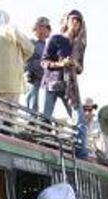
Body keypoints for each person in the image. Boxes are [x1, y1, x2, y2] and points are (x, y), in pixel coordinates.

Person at [41, 9, 87, 157]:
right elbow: (44, 61)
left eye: (79, 21)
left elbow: (81, 68)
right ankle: (43, 145)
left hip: (70, 86)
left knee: (79, 119)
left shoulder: (79, 45)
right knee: (45, 118)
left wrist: (75, 65)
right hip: (52, 82)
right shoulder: (55, 39)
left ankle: (81, 154)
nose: (76, 23)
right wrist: (61, 64)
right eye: (73, 19)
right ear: (67, 21)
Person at [0, 10, 33, 106]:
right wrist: (19, 59)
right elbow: (29, 48)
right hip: (11, 83)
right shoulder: (9, 31)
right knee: (11, 117)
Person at [24, 16, 50, 112]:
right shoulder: (30, 43)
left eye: (45, 27)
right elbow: (26, 62)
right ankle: (31, 119)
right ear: (35, 29)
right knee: (32, 101)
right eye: (40, 27)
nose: (42, 30)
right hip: (33, 78)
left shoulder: (48, 46)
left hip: (45, 80)